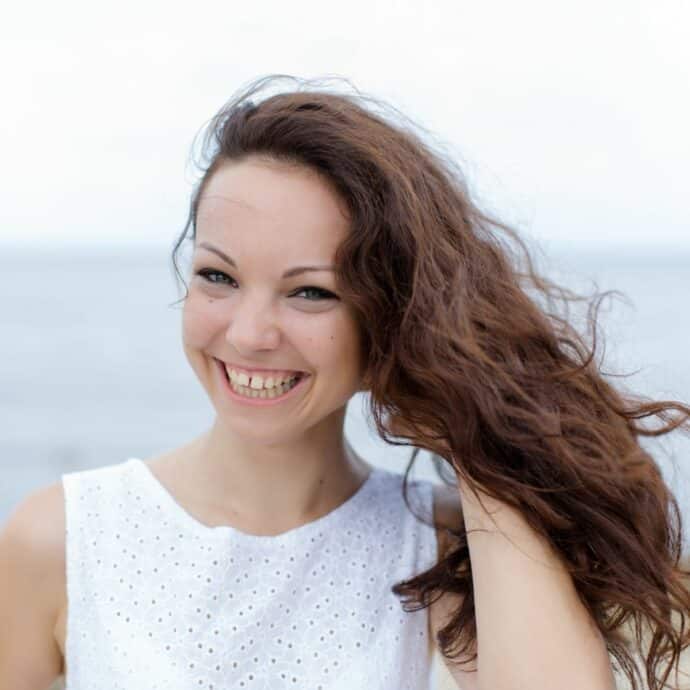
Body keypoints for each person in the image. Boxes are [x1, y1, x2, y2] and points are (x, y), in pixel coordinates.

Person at [0, 74, 688, 690]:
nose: (249, 333)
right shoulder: (63, 536)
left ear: (393, 316)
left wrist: (470, 425)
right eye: (218, 276)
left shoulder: (437, 543)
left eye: (310, 293)